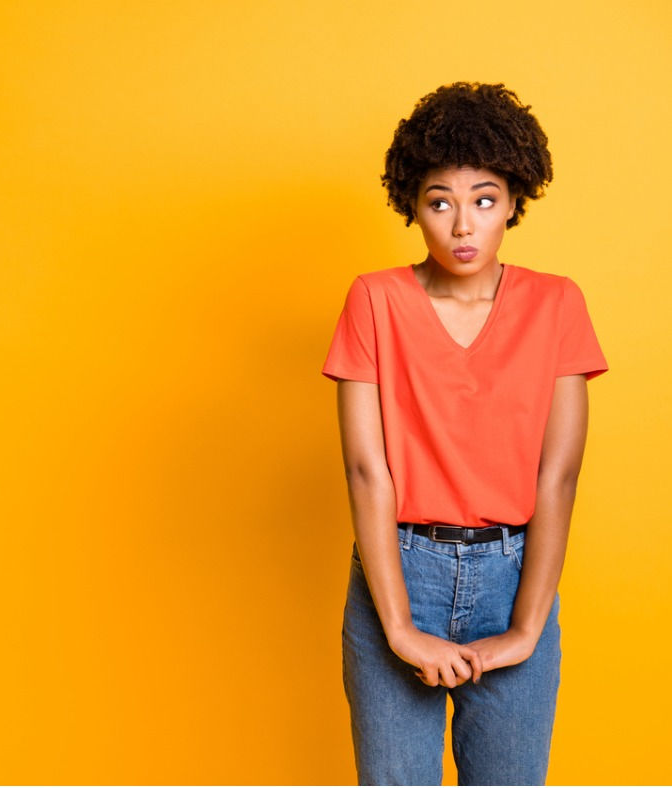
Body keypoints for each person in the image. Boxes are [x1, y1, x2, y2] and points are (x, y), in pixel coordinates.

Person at [321, 82, 609, 786]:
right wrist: (397, 626)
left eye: (483, 199)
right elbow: (367, 470)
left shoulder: (557, 303)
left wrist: (525, 627)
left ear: (514, 199)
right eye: (439, 201)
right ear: (412, 207)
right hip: (401, 568)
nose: (462, 226)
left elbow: (558, 475)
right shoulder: (375, 299)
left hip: (515, 575)